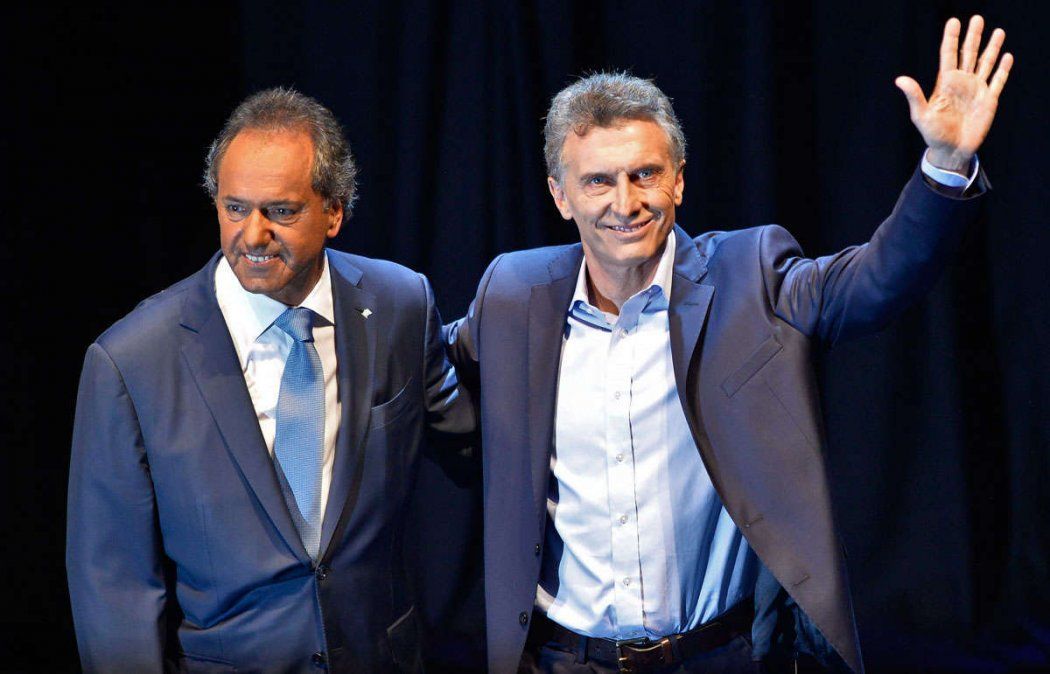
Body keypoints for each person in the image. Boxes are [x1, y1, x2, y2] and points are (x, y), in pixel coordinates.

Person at [445, 15, 1012, 674]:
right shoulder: (513, 295)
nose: (625, 203)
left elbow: (878, 281)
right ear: (560, 194)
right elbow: (417, 374)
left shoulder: (751, 276)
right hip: (560, 660)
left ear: (679, 180)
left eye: (645, 174)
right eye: (598, 180)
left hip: (719, 656)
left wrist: (945, 164)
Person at [66, 88, 472, 673]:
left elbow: (475, 435)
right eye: (235, 209)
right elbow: (113, 586)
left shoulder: (400, 304)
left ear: (334, 212)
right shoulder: (132, 359)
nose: (252, 236)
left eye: (280, 212)